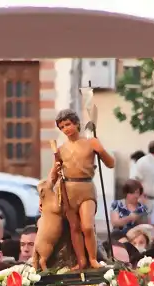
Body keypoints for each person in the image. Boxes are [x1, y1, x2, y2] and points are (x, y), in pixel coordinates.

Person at [50, 108, 116, 269]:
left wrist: (100, 150)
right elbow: (53, 176)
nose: (66, 129)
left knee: (87, 226)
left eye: (68, 124)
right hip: (68, 189)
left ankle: (92, 258)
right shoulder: (61, 149)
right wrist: (54, 174)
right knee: (75, 227)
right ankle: (81, 260)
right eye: (62, 127)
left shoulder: (90, 143)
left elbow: (111, 163)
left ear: (76, 123)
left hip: (86, 187)